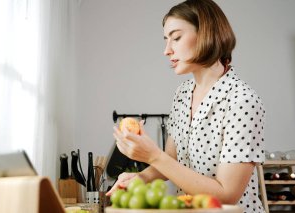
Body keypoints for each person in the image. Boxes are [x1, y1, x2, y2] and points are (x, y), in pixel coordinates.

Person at [107, 0, 266, 212]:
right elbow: (172, 161)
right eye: (166, 40)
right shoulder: (182, 94)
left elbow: (227, 195)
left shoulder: (241, 100)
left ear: (206, 34)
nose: (167, 50)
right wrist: (138, 178)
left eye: (176, 38)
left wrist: (153, 155)